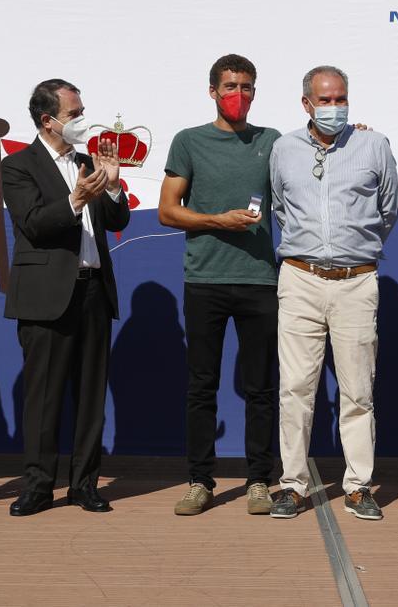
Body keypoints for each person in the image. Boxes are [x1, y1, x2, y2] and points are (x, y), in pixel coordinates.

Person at [268, 65, 398, 521]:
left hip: (357, 280)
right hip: (300, 278)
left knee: (358, 390)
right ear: (306, 103)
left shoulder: (373, 145)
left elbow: (388, 210)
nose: (334, 107)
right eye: (324, 100)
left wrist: (348, 248)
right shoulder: (284, 148)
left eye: (340, 98)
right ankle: (292, 485)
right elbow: (281, 208)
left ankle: (359, 486)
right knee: (295, 389)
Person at [158, 54, 280, 516]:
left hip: (260, 281)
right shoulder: (189, 141)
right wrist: (217, 220)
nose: (239, 95)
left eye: (247, 87)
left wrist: (356, 137)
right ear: (212, 91)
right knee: (201, 386)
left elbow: (318, 159)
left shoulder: (272, 141)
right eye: (230, 87)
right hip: (205, 279)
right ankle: (199, 481)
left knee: (261, 387)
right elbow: (169, 210)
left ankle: (258, 482)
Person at [2, 78, 130, 516]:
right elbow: (33, 224)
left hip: (93, 290)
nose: (82, 121)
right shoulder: (18, 166)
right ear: (48, 120)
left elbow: (117, 219)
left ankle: (84, 484)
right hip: (47, 294)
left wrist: (111, 185)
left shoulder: (89, 160)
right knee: (44, 396)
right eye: (74, 115)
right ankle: (38, 486)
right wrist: (75, 199)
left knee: (91, 396)